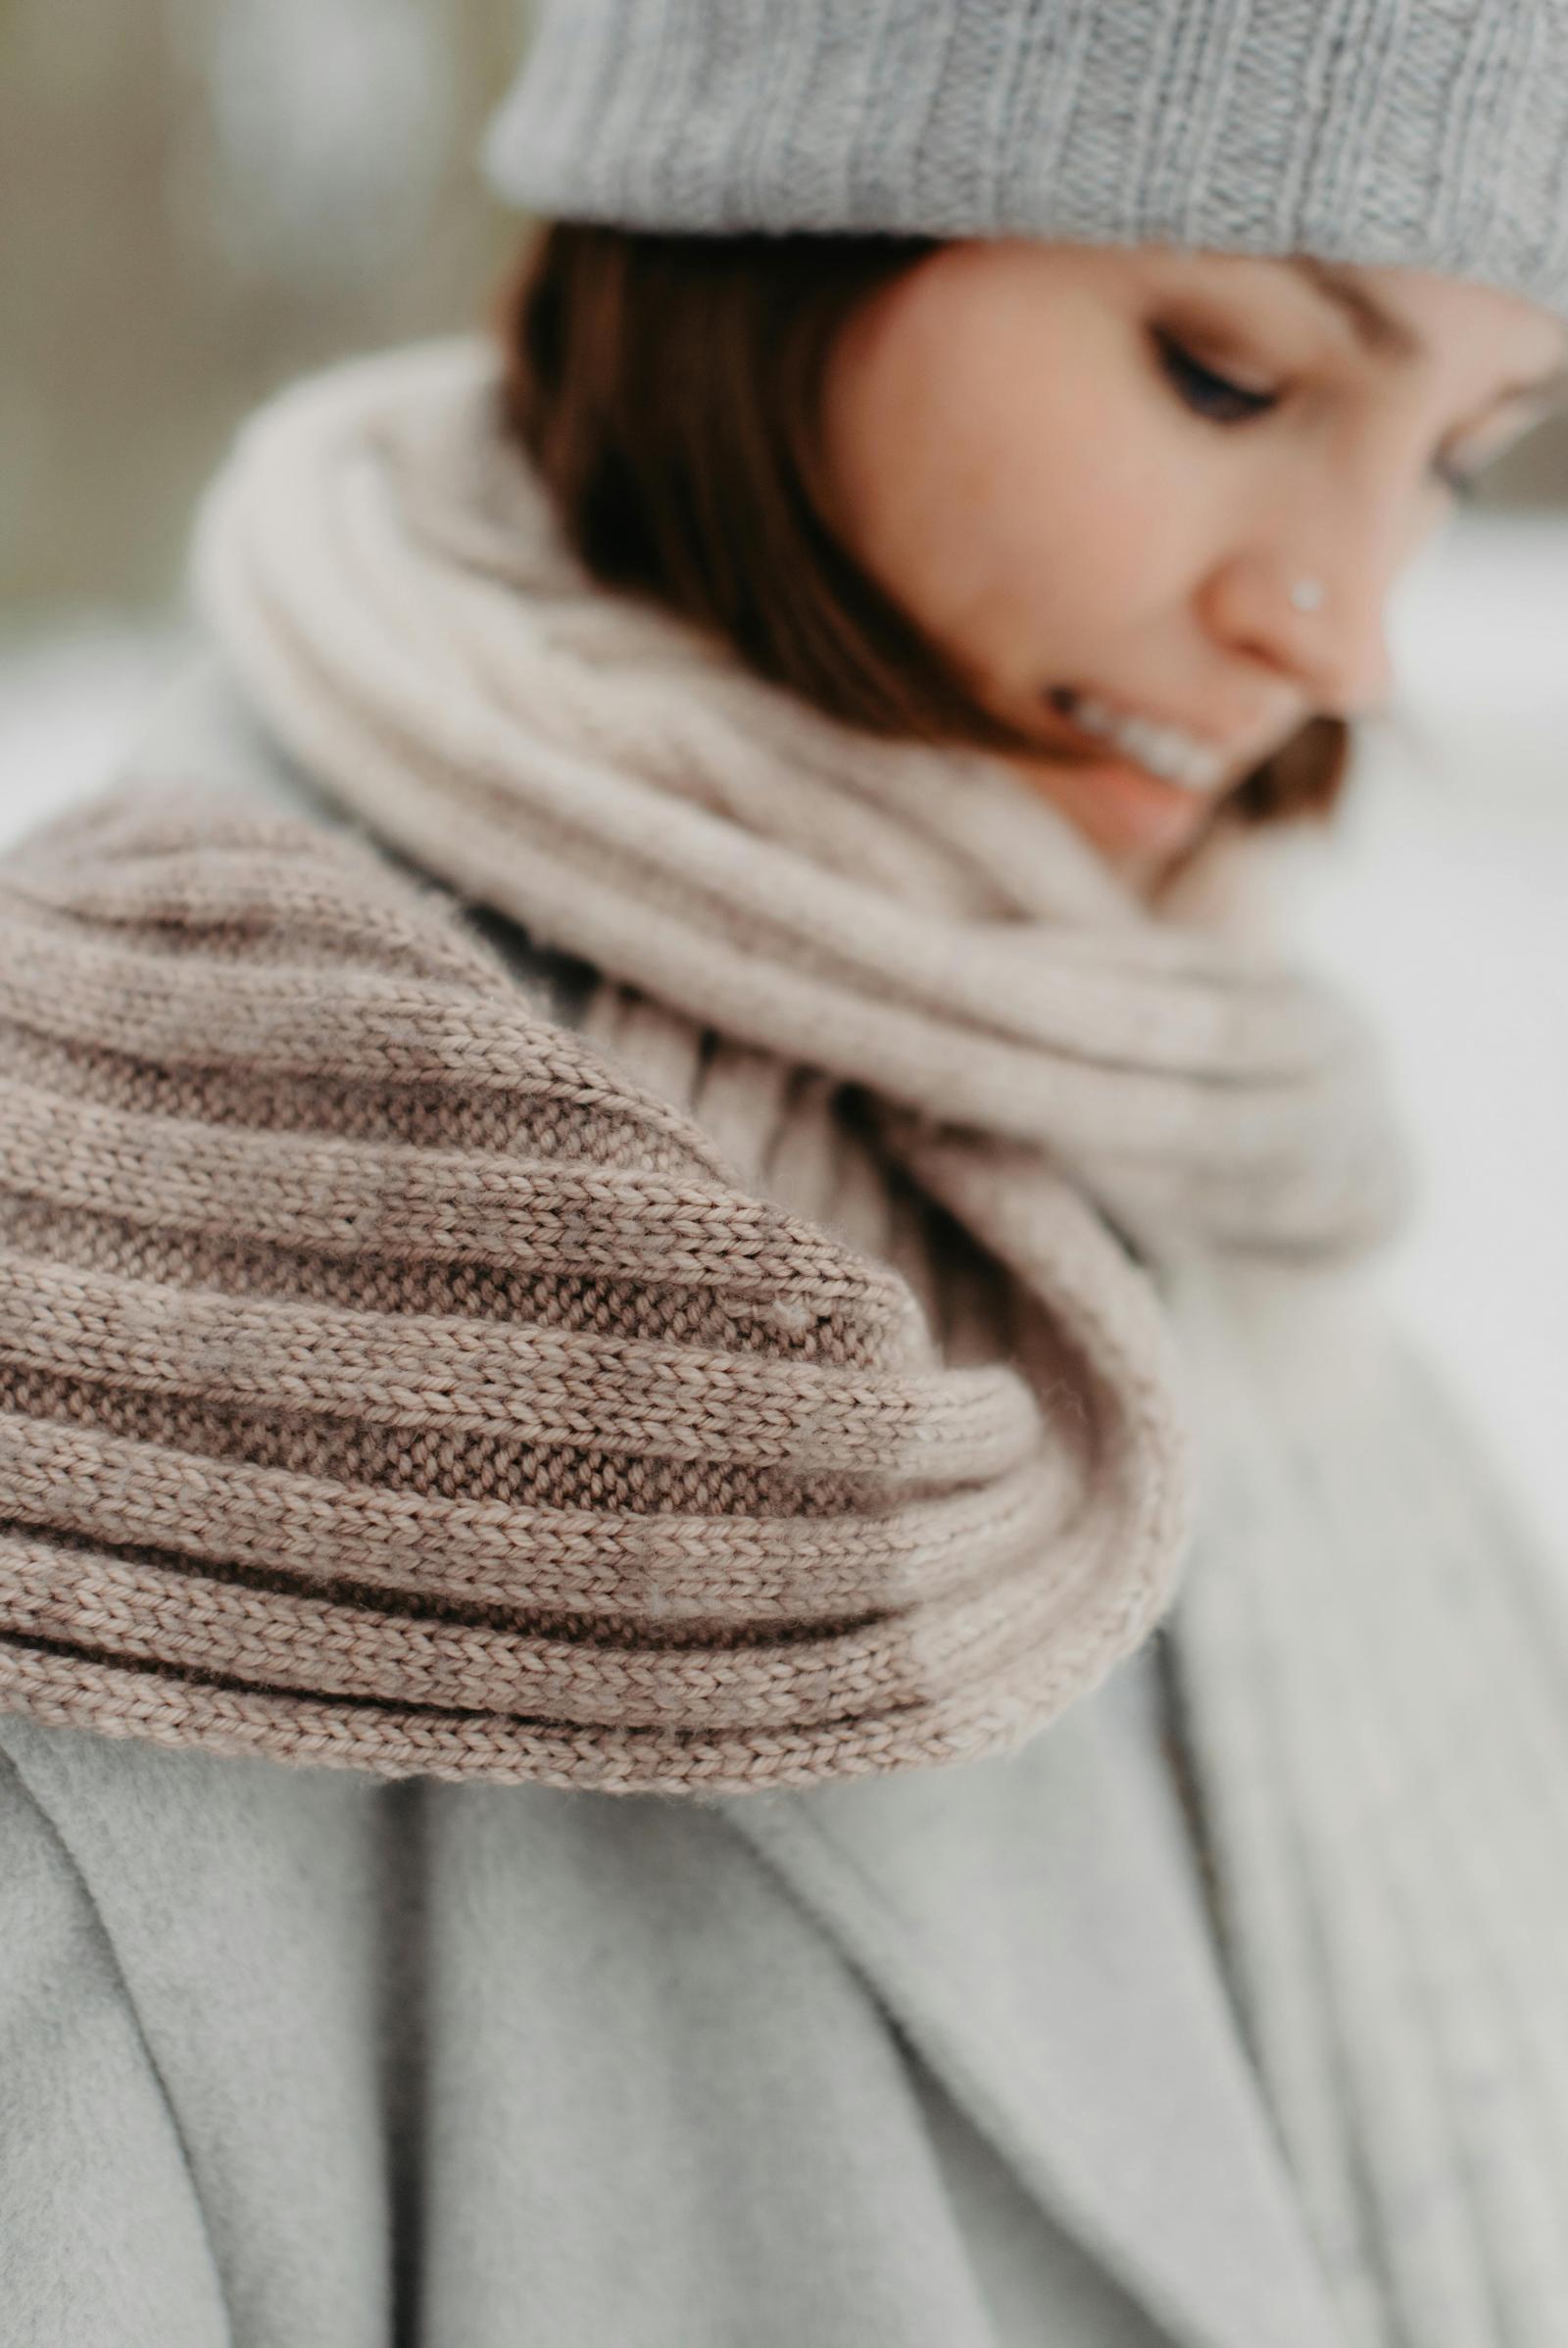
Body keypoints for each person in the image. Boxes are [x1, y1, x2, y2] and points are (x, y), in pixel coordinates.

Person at [2, 5, 1567, 2343]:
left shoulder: (1227, 1194)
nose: (1337, 631)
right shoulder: (147, 1236)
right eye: (1225, 378)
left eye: (1459, 453)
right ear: (765, 221)